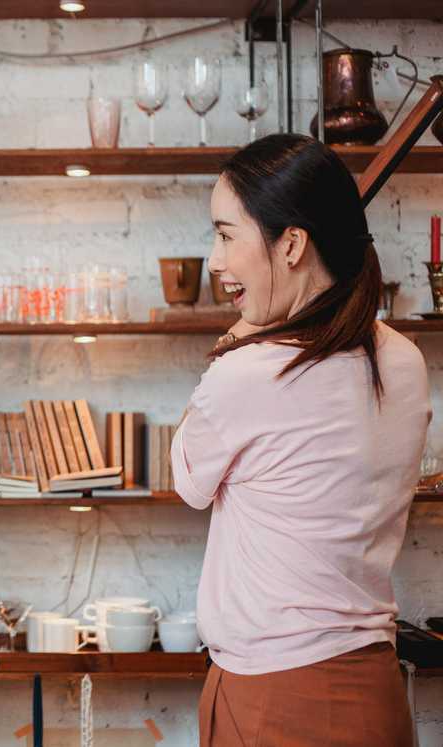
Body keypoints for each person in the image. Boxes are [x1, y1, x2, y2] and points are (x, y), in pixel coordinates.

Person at [171, 134, 429, 747]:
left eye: (227, 235)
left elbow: (186, 481)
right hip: (375, 690)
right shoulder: (405, 360)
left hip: (274, 699)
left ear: (291, 243)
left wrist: (242, 332)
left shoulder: (250, 373)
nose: (214, 259)